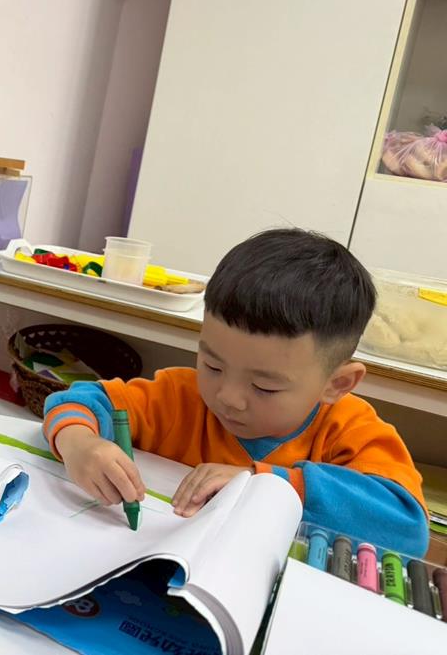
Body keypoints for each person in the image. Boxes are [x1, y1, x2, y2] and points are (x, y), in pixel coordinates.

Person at [42, 229, 428, 556]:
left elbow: (407, 526)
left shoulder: (348, 427)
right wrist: (79, 444)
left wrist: (266, 485)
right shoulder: (180, 396)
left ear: (337, 384)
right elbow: (78, 401)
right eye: (212, 365)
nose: (227, 396)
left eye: (264, 386)